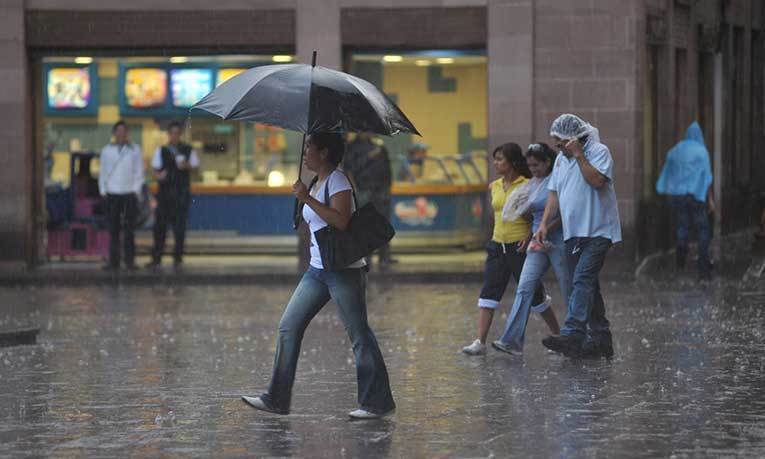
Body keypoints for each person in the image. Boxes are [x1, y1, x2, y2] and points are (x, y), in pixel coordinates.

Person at [242, 132, 396, 419]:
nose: (305, 152)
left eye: (309, 147)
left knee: (359, 334)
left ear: (324, 152)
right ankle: (276, 398)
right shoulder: (316, 181)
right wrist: (302, 200)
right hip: (317, 269)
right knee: (289, 326)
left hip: (342, 271)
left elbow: (341, 220)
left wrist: (307, 200)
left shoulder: (338, 180)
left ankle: (376, 402)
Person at [536, 114, 622, 358]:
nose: (559, 149)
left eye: (561, 143)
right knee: (588, 285)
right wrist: (544, 224)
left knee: (582, 279)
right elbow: (553, 194)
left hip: (598, 230)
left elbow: (596, 181)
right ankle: (601, 338)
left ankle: (574, 332)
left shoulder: (599, 151)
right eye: (557, 145)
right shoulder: (561, 161)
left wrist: (579, 155)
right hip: (573, 233)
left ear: (574, 139)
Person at [461, 143, 559, 356]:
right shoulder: (494, 186)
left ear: (513, 162)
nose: (495, 163)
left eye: (500, 159)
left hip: (520, 247)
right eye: (494, 159)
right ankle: (480, 341)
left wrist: (527, 236)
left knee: (535, 295)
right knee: (488, 293)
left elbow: (531, 217)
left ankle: (558, 334)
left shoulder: (528, 185)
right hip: (497, 246)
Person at [491, 143, 566, 356]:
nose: (532, 169)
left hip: (557, 239)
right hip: (536, 240)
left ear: (547, 163)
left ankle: (574, 335)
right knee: (525, 286)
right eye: (530, 165)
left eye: (536, 165)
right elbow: (529, 215)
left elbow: (564, 214)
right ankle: (512, 340)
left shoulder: (557, 181)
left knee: (567, 286)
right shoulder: (532, 184)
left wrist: (545, 229)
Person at [656, 121, 714, 277]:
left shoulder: (676, 150)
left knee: (682, 227)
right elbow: (707, 177)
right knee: (703, 229)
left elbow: (669, 171)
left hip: (678, 196)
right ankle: (703, 266)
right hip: (696, 196)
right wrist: (710, 199)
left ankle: (680, 260)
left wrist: (666, 188)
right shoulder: (702, 152)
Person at [146, 121, 199, 270]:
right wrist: (159, 175)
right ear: (168, 135)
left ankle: (178, 258)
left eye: (177, 133)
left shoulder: (188, 150)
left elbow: (196, 169)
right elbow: (154, 170)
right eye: (172, 133)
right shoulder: (161, 150)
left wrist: (186, 166)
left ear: (180, 134)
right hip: (164, 196)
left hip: (181, 195)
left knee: (179, 229)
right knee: (159, 229)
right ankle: (156, 258)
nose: (174, 136)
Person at [342, 132, 396, 265]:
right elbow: (350, 168)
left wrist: (388, 187)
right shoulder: (352, 147)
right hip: (364, 189)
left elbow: (387, 167)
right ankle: (367, 256)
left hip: (381, 190)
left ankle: (385, 256)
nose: (369, 133)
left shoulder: (378, 145)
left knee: (383, 224)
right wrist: (369, 156)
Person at [98, 121, 144, 271]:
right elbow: (103, 172)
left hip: (129, 194)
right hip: (112, 194)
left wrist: (136, 190)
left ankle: (130, 261)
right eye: (118, 131)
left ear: (127, 133)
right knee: (114, 230)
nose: (121, 134)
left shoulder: (135, 150)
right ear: (114, 133)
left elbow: (139, 172)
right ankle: (114, 262)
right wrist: (103, 190)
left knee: (130, 230)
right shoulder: (106, 150)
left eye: (124, 131)